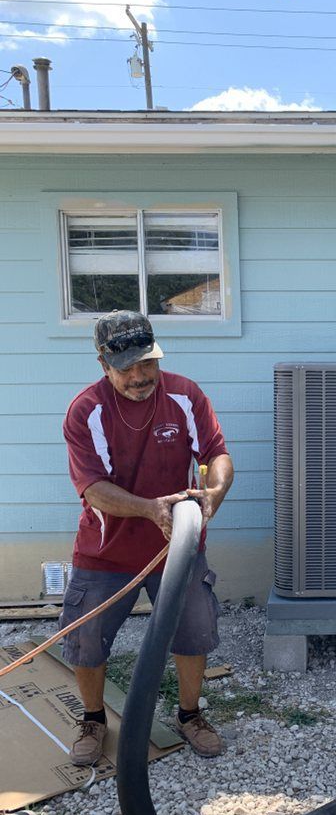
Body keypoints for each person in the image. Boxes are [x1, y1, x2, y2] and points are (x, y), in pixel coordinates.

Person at [59, 311, 234, 765]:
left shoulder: (184, 394)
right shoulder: (86, 411)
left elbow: (216, 452)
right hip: (106, 550)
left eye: (147, 363)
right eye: (126, 368)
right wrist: (149, 508)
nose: (139, 377)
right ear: (104, 365)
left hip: (177, 546)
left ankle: (190, 714)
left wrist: (214, 492)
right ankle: (94, 720)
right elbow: (92, 487)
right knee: (87, 636)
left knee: (193, 630)